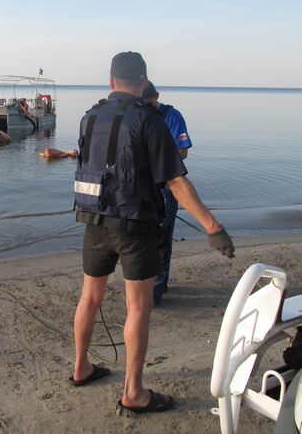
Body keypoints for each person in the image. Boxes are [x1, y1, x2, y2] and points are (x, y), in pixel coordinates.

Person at [71, 51, 234, 414]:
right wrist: (213, 227)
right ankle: (133, 393)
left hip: (94, 222)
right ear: (143, 83)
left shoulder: (89, 117)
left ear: (111, 82)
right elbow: (175, 181)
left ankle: (81, 367)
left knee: (89, 299)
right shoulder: (151, 120)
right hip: (136, 227)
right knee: (138, 307)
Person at [142, 81, 193, 305]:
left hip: (166, 187)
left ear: (157, 96)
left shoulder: (172, 116)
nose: (147, 106)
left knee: (162, 238)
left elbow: (182, 152)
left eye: (150, 102)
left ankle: (158, 288)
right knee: (142, 238)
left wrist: (157, 157)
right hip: (142, 187)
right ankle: (147, 284)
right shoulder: (139, 115)